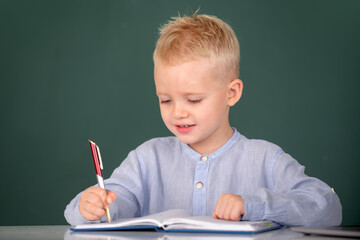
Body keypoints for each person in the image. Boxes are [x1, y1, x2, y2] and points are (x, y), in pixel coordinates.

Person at [64, 12, 342, 227]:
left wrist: (252, 206)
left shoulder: (265, 158)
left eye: (194, 100)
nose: (178, 112)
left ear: (231, 93)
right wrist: (93, 206)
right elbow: (98, 205)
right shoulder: (147, 159)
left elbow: (328, 207)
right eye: (166, 100)